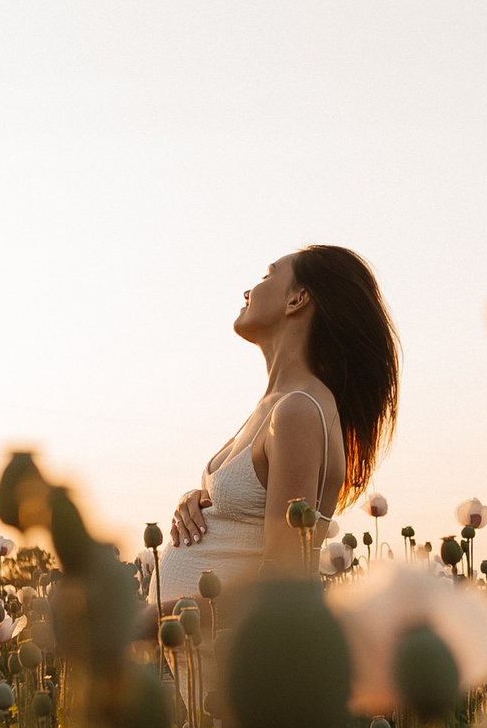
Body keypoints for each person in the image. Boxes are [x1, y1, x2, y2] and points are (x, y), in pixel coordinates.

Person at [159, 246, 399, 604]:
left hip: (225, 639)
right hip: (192, 638)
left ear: (297, 300)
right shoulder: (275, 405)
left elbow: (283, 582)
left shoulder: (299, 411)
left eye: (267, 275)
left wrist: (155, 618)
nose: (248, 291)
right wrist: (194, 500)